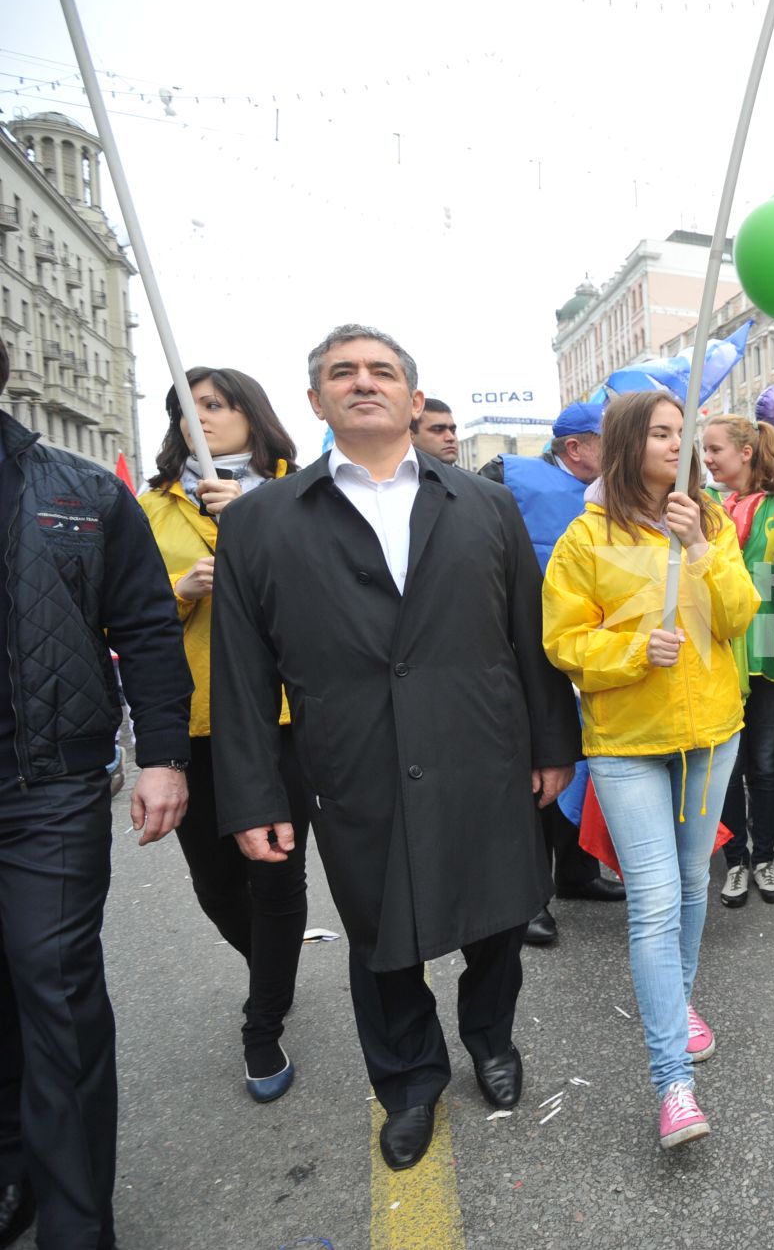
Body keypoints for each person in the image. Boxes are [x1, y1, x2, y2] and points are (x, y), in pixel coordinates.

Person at [212, 324, 582, 1171]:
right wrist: (254, 796)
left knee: (497, 915)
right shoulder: (264, 521)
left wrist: (552, 742)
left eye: (383, 371)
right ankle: (409, 1080)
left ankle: (491, 1037)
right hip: (354, 765)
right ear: (316, 401)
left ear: (414, 400)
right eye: (343, 373)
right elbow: (239, 674)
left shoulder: (483, 506)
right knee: (383, 936)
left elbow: (528, 635)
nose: (363, 382)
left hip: (483, 748)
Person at [0, 340, 192, 1249]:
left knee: (57, 984)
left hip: (51, 788)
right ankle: (13, 1168)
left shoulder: (83, 492)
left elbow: (148, 626)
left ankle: (77, 1227)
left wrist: (163, 757)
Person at [544, 389, 757, 1145]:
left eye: (684, 433)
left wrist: (700, 548)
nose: (678, 444)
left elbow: (738, 617)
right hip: (628, 743)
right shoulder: (585, 536)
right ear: (630, 443)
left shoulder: (707, 520)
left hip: (710, 735)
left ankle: (679, 997)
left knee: (694, 881)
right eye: (662, 432)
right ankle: (673, 1081)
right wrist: (635, 652)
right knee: (656, 899)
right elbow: (564, 642)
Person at [137, 365, 311, 1102]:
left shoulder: (300, 498)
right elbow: (126, 623)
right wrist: (181, 591)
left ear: (253, 415)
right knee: (216, 881)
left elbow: (331, 602)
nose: (197, 419)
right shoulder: (150, 511)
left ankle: (261, 1022)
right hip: (197, 721)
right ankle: (271, 966)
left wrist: (254, 524)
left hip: (282, 720)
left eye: (215, 404)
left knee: (277, 869)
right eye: (185, 408)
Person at [478, 400, 626, 947]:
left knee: (586, 767)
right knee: (542, 773)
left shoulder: (621, 493)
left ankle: (577, 873)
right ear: (576, 448)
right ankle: (529, 898)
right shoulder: (504, 482)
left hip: (597, 650)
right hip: (531, 654)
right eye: (610, 443)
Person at [701, 413, 774, 910]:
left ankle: (764, 858)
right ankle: (734, 861)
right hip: (717, 650)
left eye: (715, 449)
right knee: (727, 765)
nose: (707, 459)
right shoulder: (699, 504)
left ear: (746, 452)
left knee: (764, 761)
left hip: (772, 650)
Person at [409, 396, 458, 465]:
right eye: (438, 430)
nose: (451, 438)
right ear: (410, 436)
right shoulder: (393, 475)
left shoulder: (470, 476)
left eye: (453, 430)